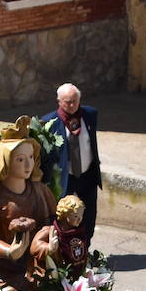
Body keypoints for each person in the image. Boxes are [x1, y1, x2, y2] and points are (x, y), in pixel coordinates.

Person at [0, 117, 56, 291]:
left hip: (37, 266)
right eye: (20, 159)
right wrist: (10, 251)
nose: (28, 165)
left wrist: (50, 242)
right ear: (5, 161)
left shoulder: (40, 191)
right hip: (1, 273)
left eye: (31, 157)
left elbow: (53, 224)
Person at [40, 83, 102, 243]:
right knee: (65, 216)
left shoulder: (90, 115)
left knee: (88, 215)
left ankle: (85, 250)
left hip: (87, 174)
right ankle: (65, 249)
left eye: (75, 100)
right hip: (65, 177)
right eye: (68, 102)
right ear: (59, 101)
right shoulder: (49, 122)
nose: (72, 105)